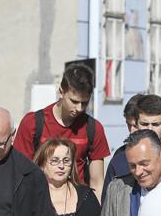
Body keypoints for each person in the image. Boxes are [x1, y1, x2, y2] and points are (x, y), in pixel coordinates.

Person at [15, 64, 111, 201]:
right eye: (74, 101)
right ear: (61, 92)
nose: (79, 108)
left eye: (84, 103)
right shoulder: (32, 123)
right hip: (40, 203)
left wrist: (96, 215)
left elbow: (97, 182)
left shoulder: (94, 128)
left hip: (78, 205)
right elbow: (20, 175)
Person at [104, 95, 161, 186]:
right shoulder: (119, 161)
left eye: (155, 124)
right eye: (144, 124)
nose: (150, 129)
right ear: (136, 123)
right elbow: (110, 197)